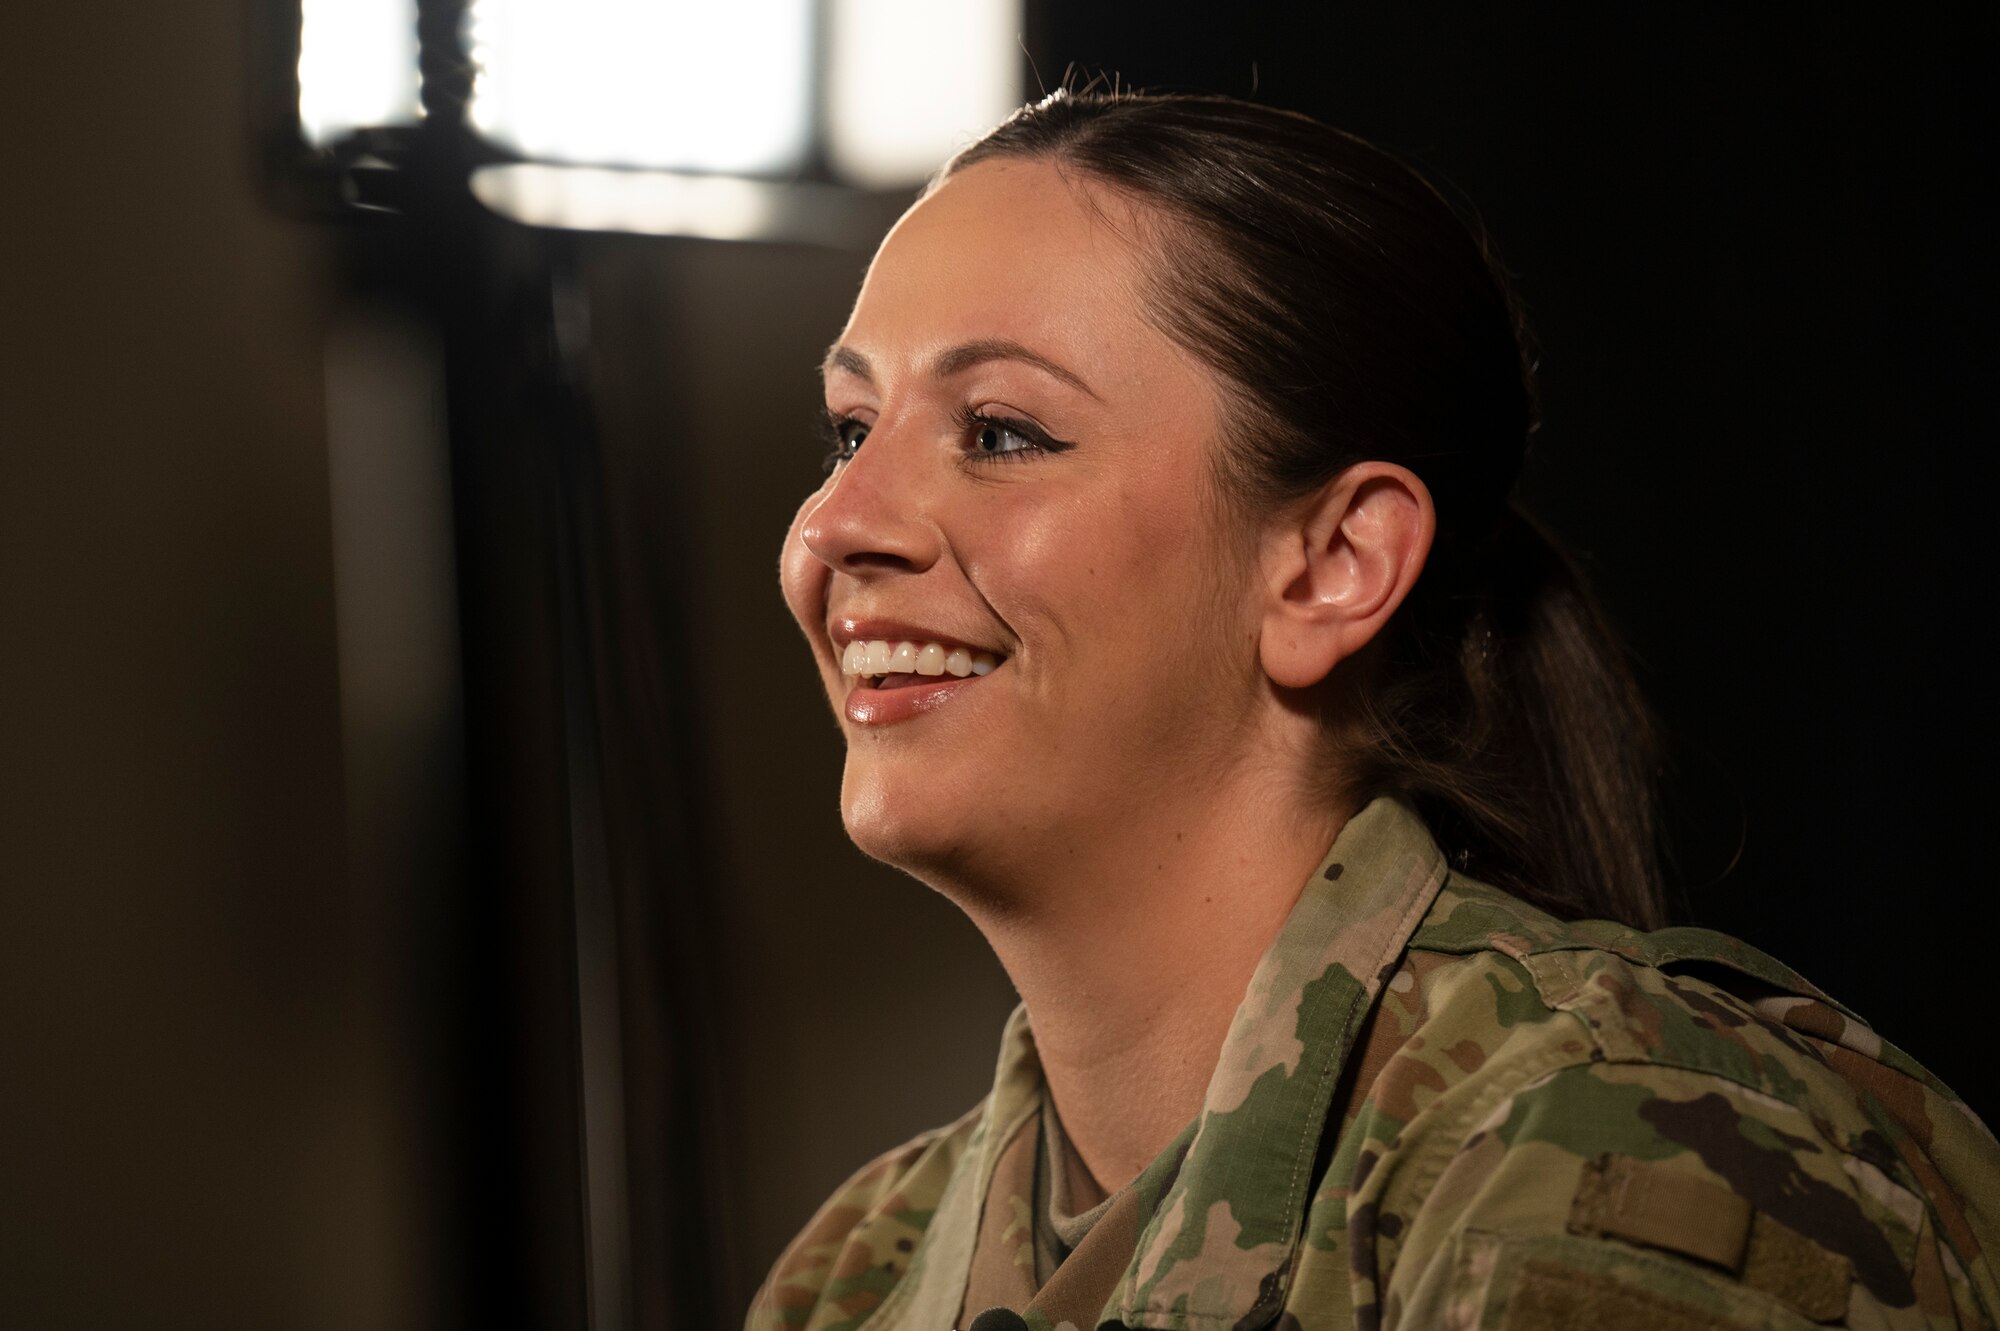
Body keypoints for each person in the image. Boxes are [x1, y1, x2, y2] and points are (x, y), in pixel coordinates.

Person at [749, 90, 1999, 1331]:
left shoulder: (1617, 1146)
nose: (834, 523)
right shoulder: (854, 1273)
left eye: (1003, 432)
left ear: (1330, 563)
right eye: (846, 430)